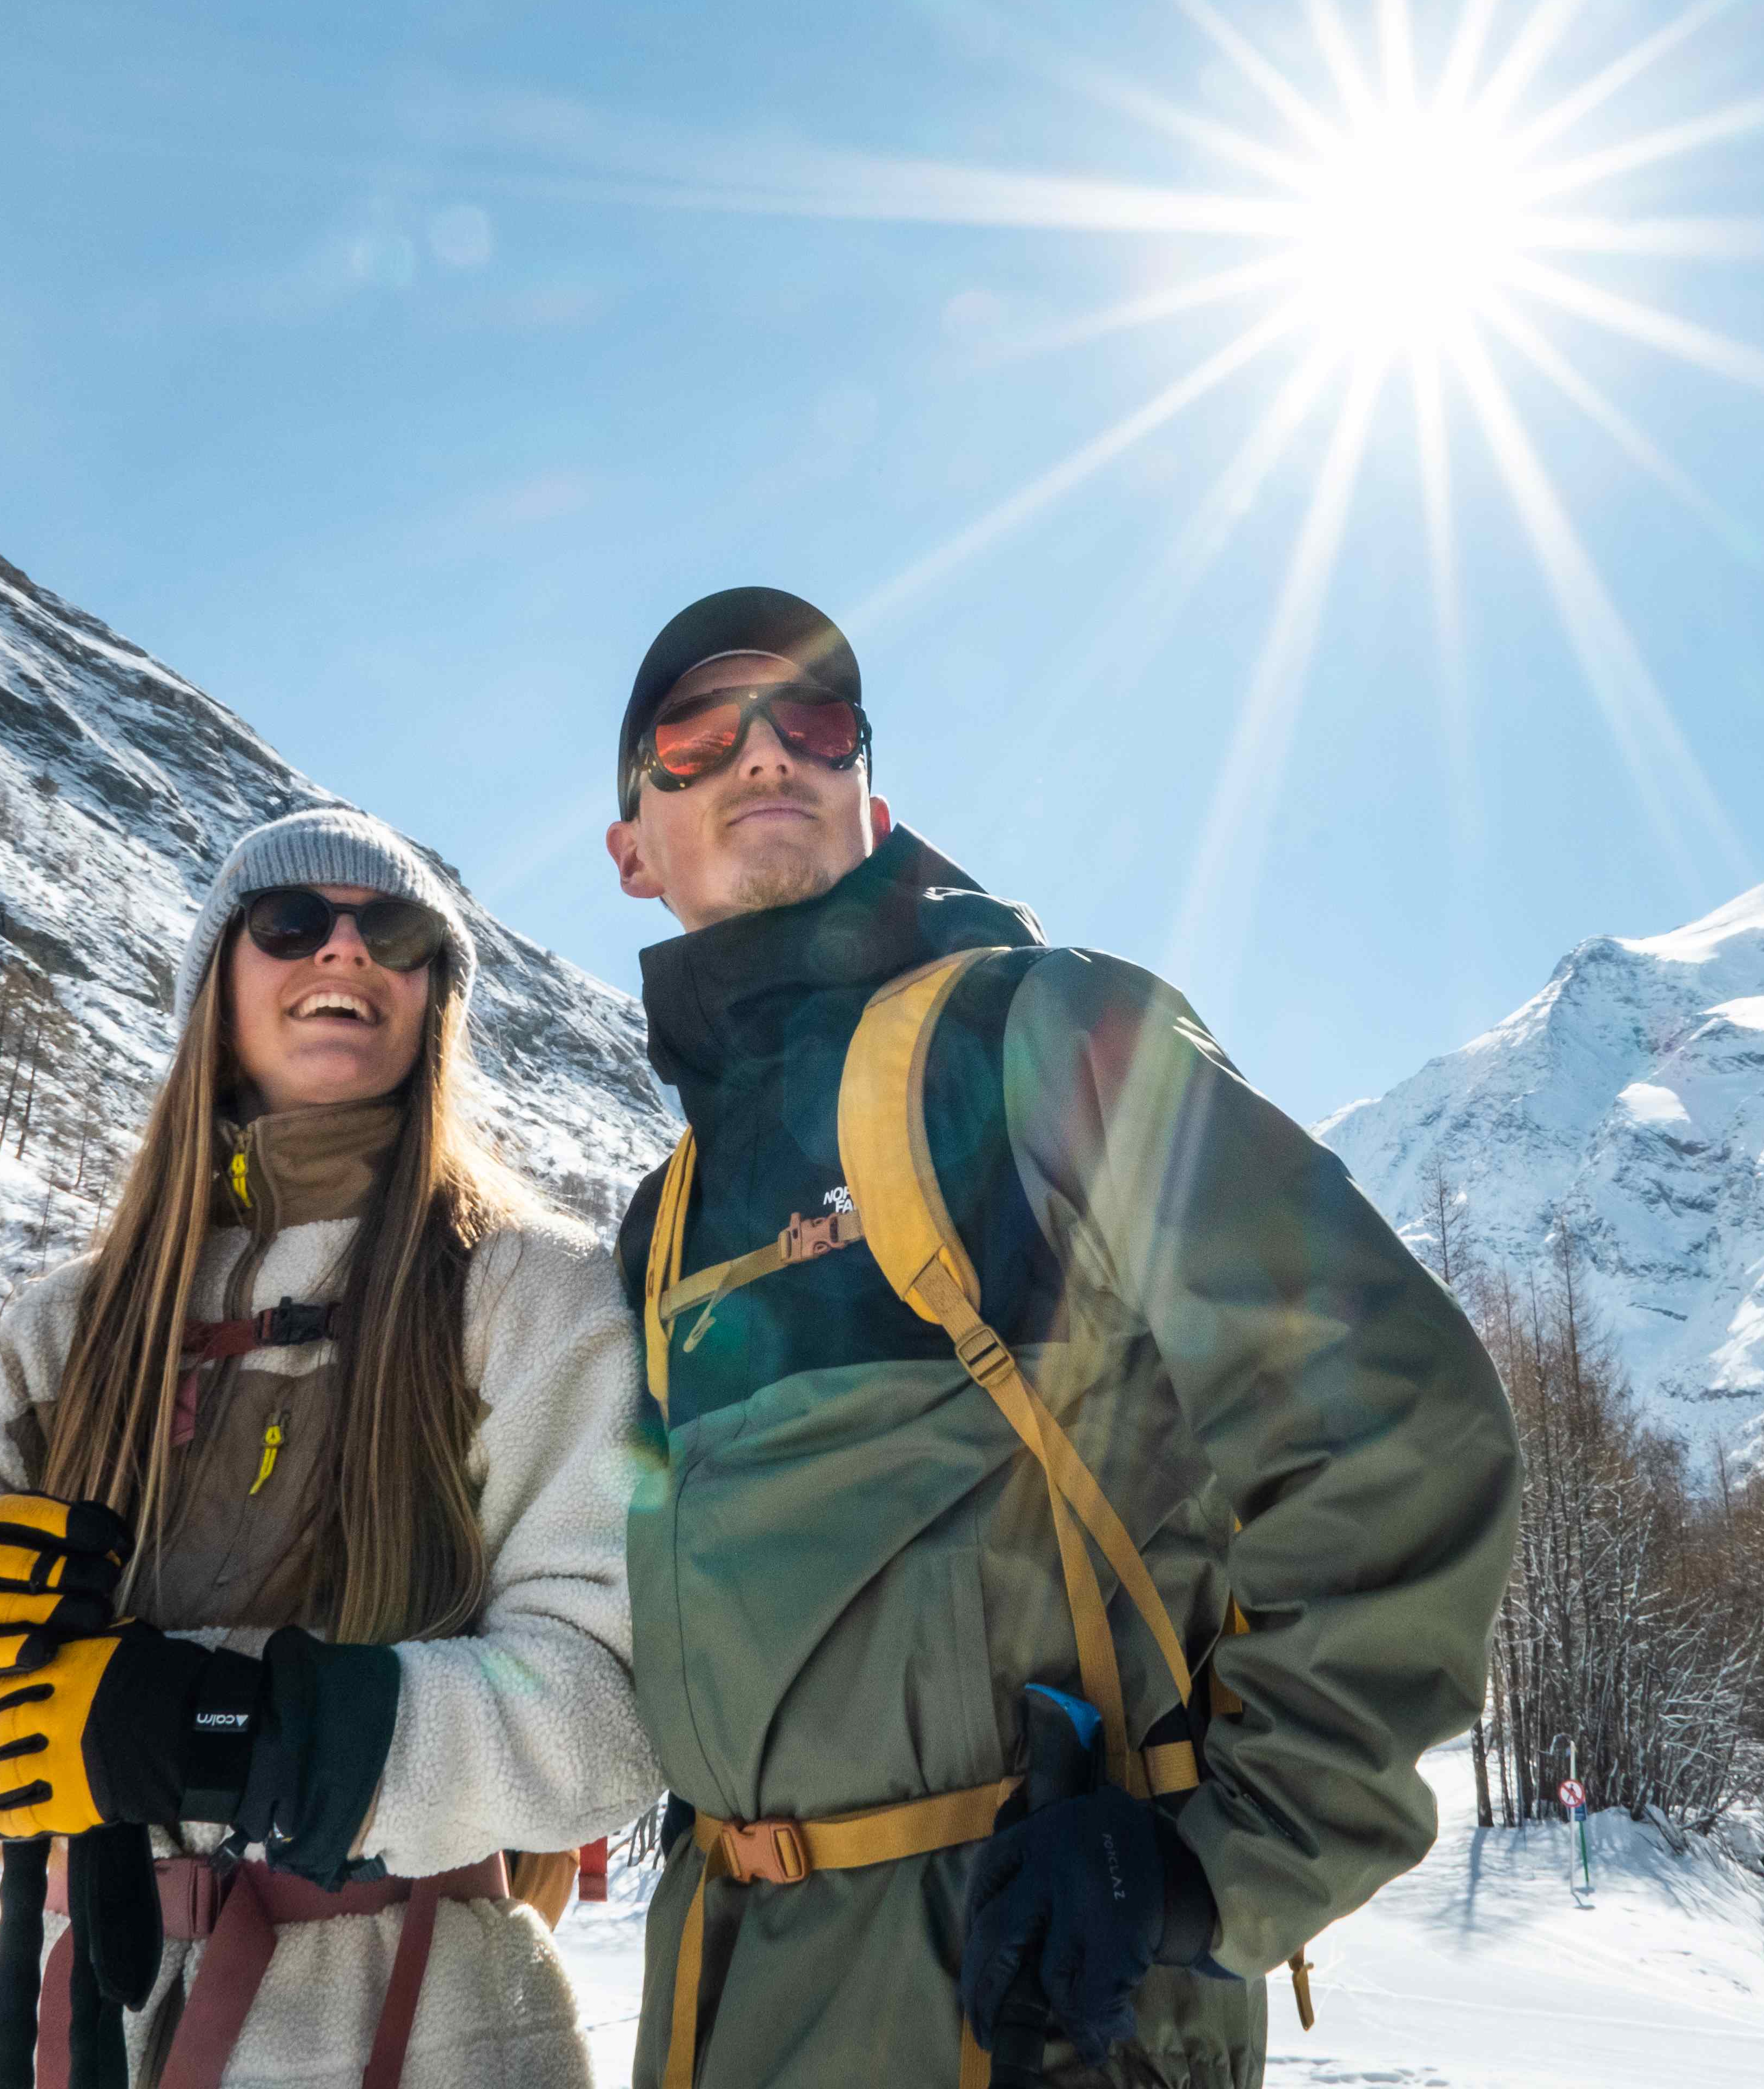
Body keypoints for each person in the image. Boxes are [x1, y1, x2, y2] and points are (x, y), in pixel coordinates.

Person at [600, 588, 1523, 2089]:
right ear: (632, 848)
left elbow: (1396, 1428)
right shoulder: (664, 1223)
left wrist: (1221, 1865)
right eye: (700, 735)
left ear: (866, 794)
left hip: (1034, 2004)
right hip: (723, 2004)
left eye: (815, 723)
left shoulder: (1035, 1041)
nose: (768, 753)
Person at [0, 805, 662, 2089]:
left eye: (394, 932)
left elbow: (608, 1710)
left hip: (421, 2017)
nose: (344, 953)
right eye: (289, 924)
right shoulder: (60, 1329)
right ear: (217, 981)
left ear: (434, 996)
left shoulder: (530, 1299)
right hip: (61, 2014)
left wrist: (239, 1733)